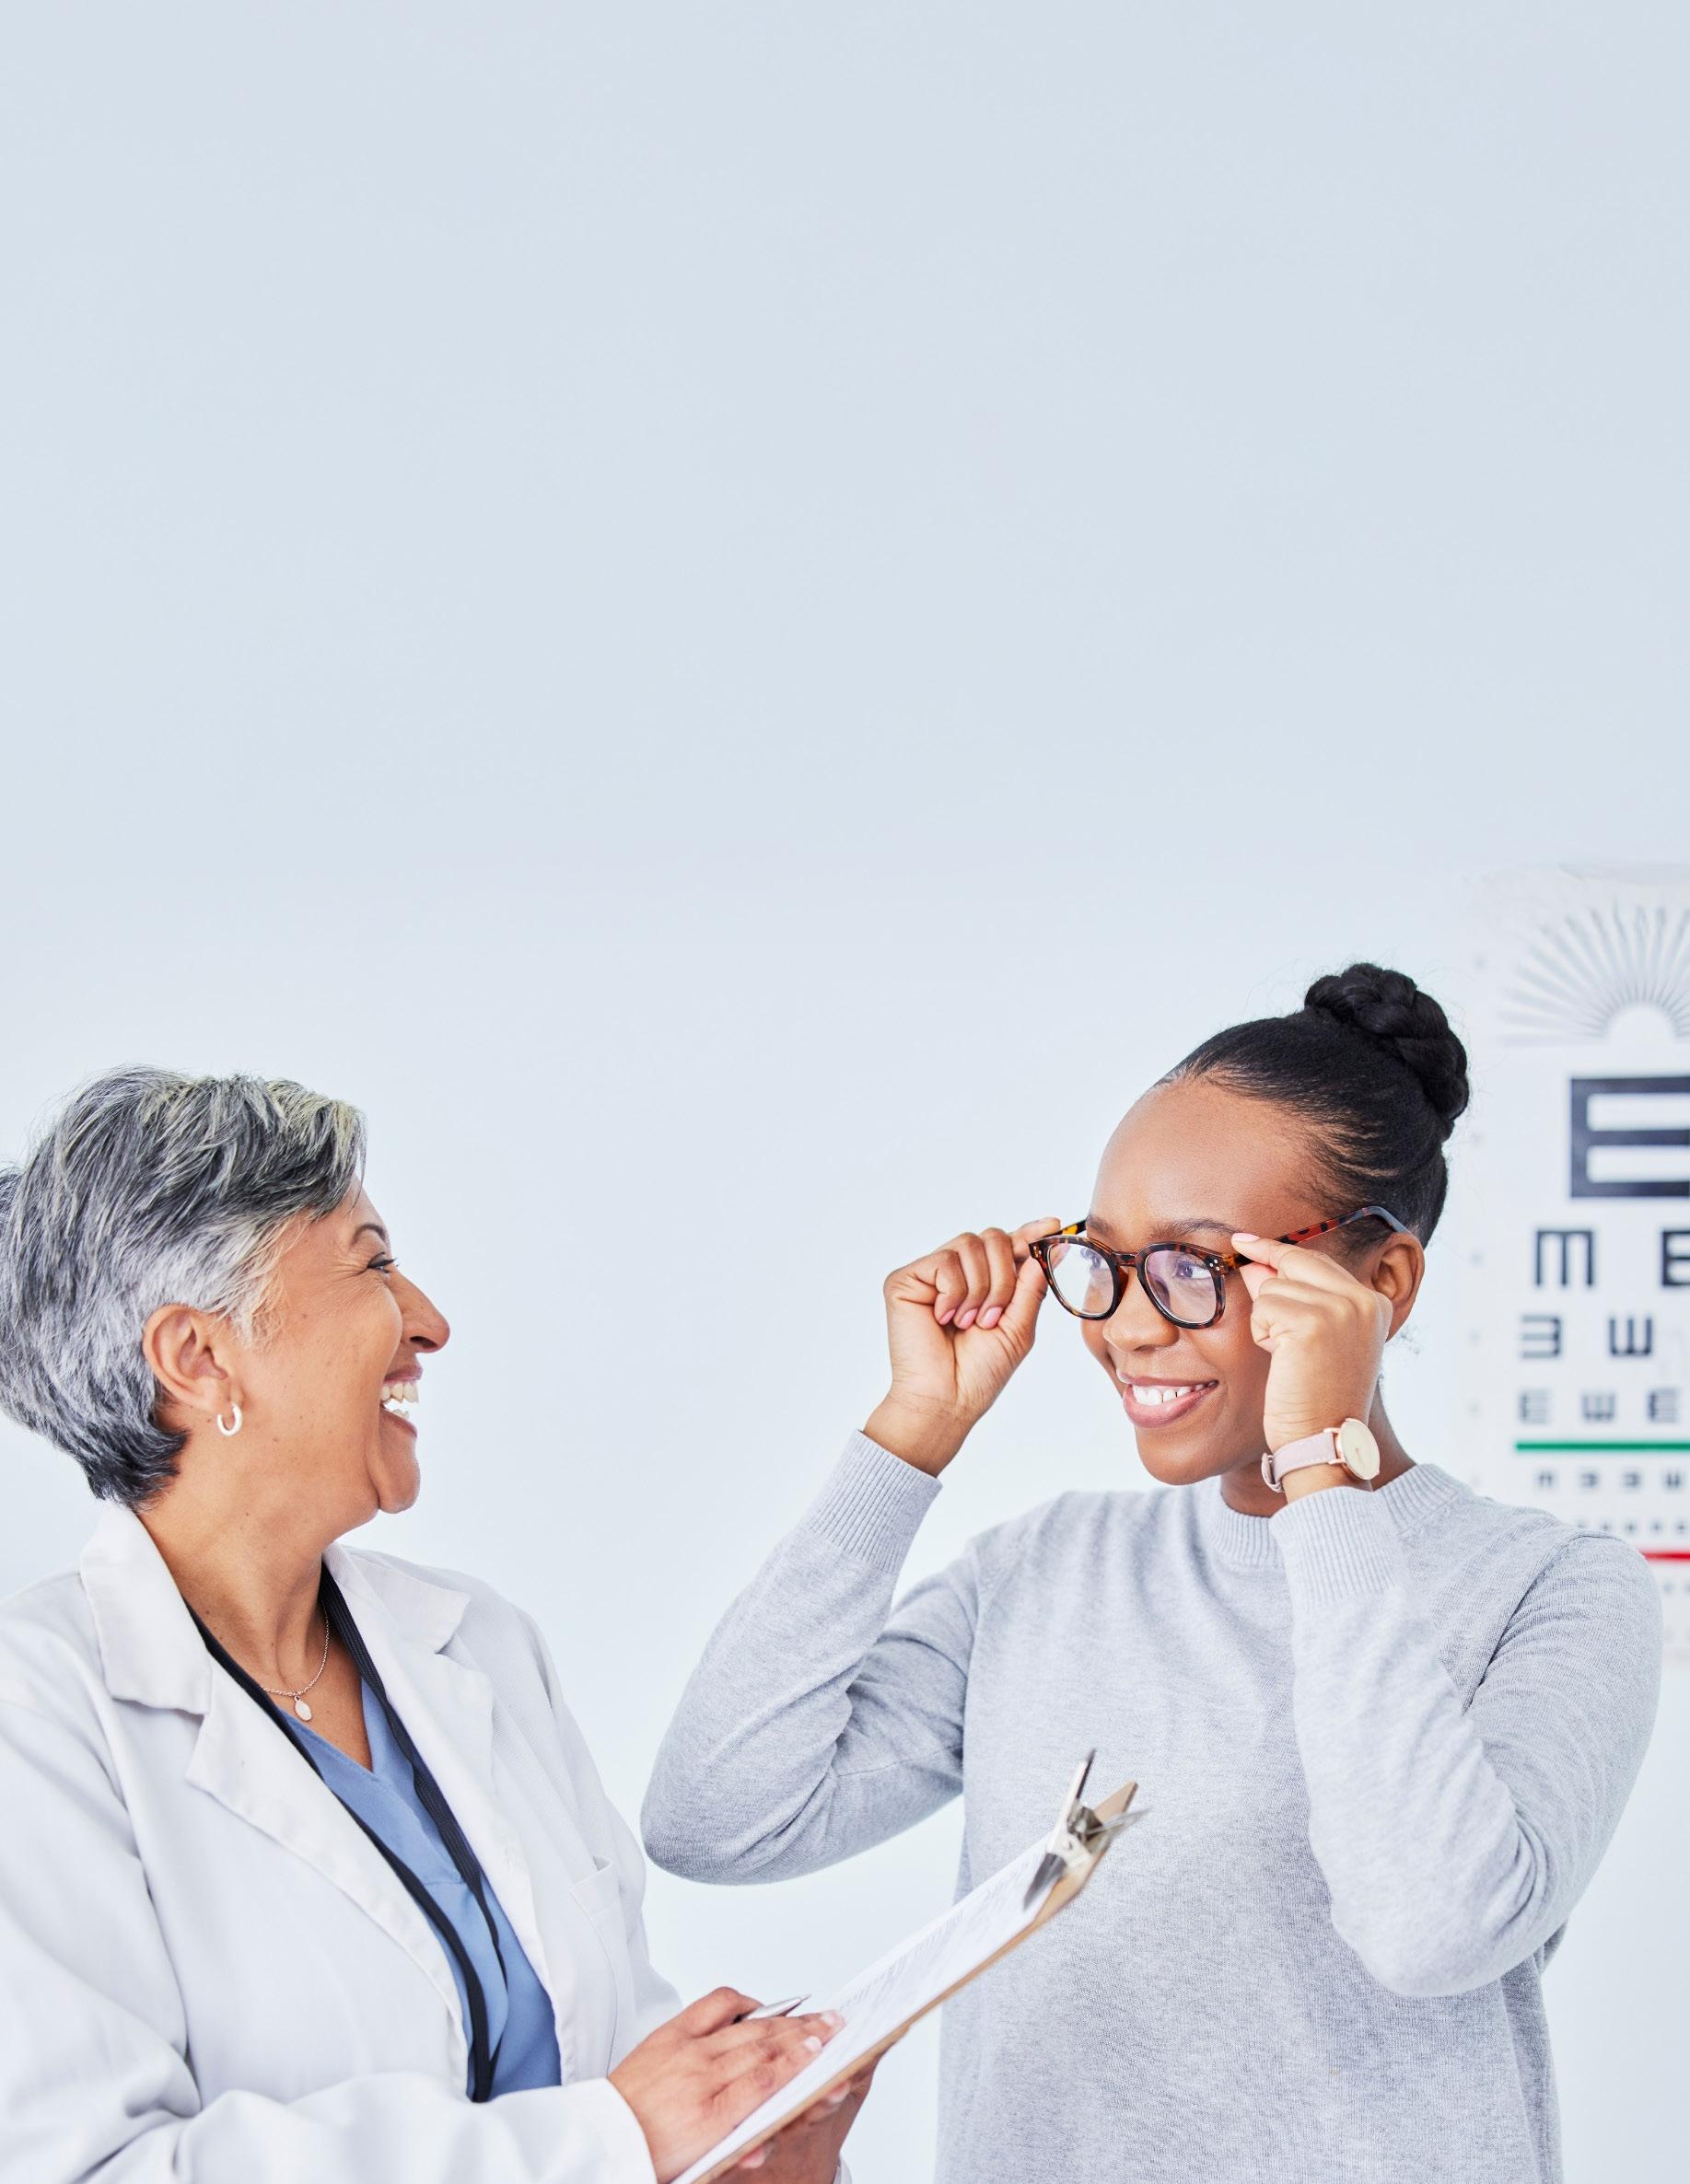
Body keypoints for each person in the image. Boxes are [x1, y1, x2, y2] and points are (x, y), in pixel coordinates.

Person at [641, 963, 1663, 2184]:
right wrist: (912, 1432)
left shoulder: (1552, 1590)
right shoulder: (1041, 1570)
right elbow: (715, 1820)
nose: (1124, 1324)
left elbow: (1425, 1930)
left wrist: (1318, 1471)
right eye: (1106, 1260)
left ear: (1377, 1285)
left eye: (1193, 1267)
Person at [0, 1067, 867, 2184]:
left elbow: (618, 2058)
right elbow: (93, 2166)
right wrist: (615, 2138)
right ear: (198, 1357)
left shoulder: (479, 1646)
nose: (429, 1321)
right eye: (370, 1264)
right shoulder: (38, 1716)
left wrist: (751, 2140)